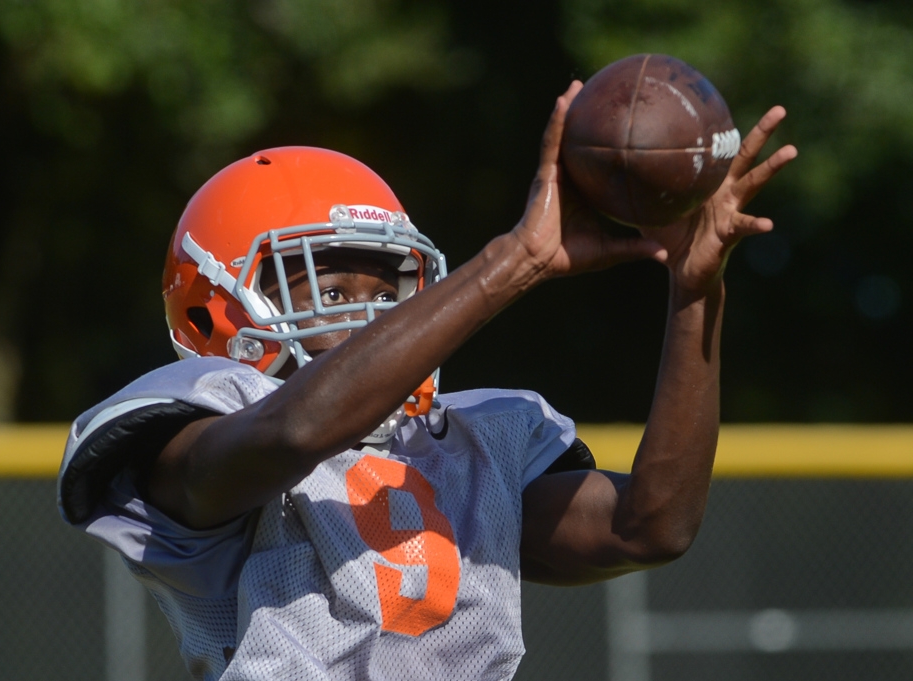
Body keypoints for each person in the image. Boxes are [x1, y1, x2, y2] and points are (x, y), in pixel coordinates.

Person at [57, 81, 796, 680]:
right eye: (331, 291)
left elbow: (650, 525)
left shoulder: (472, 442)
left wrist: (696, 293)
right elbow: (295, 431)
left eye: (388, 292)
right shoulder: (199, 437)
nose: (370, 317)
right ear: (213, 306)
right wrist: (514, 261)